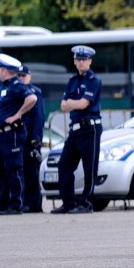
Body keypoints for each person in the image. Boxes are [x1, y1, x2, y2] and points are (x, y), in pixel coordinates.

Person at [0, 54, 37, 215]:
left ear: (5, 70)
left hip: (11, 134)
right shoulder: (2, 87)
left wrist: (18, 114)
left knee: (13, 169)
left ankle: (15, 204)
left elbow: (32, 99)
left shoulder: (16, 86)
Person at [52, 45, 103, 214]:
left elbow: (83, 104)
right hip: (75, 130)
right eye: (78, 59)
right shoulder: (72, 81)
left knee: (90, 167)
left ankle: (86, 203)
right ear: (74, 61)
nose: (81, 62)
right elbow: (62, 105)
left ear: (90, 61)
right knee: (64, 165)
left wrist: (72, 103)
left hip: (90, 129)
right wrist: (75, 103)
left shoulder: (93, 80)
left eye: (84, 59)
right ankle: (69, 203)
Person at [18, 65, 46, 213]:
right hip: (19, 136)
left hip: (30, 138)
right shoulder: (16, 92)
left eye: (24, 76)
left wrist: (36, 138)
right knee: (20, 171)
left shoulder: (35, 92)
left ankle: (34, 203)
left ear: (30, 77)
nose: (21, 79)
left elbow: (39, 117)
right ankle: (24, 202)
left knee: (31, 172)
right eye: (19, 76)